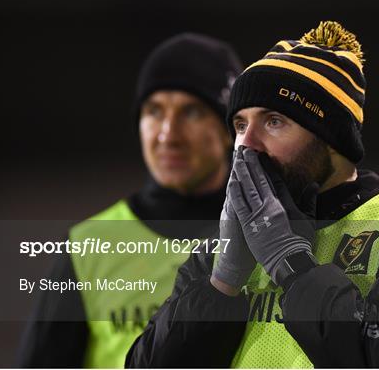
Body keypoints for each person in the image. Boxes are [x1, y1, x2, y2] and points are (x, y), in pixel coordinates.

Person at [126, 21, 379, 368]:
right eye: (240, 125)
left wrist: (293, 266)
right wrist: (221, 284)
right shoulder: (219, 248)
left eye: (274, 121)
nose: (246, 145)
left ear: (330, 138)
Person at [17, 33, 243, 368]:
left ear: (231, 129)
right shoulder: (88, 248)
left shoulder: (262, 240)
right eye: (154, 111)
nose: (168, 134)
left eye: (192, 112)